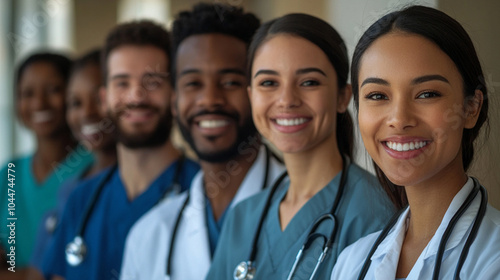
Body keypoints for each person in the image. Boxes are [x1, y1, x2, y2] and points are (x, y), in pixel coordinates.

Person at [207, 13, 395, 280]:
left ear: (343, 97)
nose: (286, 100)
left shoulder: (375, 213)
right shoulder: (243, 218)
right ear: (251, 96)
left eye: (309, 82)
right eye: (269, 83)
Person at [331, 5, 500, 280]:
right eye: (377, 96)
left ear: (471, 108)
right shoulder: (351, 262)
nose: (399, 119)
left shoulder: (493, 259)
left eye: (427, 94)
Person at [120, 4, 284, 280]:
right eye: (193, 83)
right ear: (174, 101)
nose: (209, 100)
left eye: (230, 82)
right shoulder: (149, 235)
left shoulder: (313, 212)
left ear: (259, 92)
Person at [41, 20, 199, 280]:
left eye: (152, 82)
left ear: (174, 94)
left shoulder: (203, 194)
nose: (136, 97)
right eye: (122, 83)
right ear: (105, 99)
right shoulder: (81, 201)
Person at [0, 53, 94, 277]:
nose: (39, 103)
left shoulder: (94, 169)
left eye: (53, 90)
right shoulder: (10, 173)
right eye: (27, 93)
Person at [30, 49, 117, 271]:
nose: (87, 112)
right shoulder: (70, 192)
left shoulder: (139, 185)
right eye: (75, 103)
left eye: (98, 99)